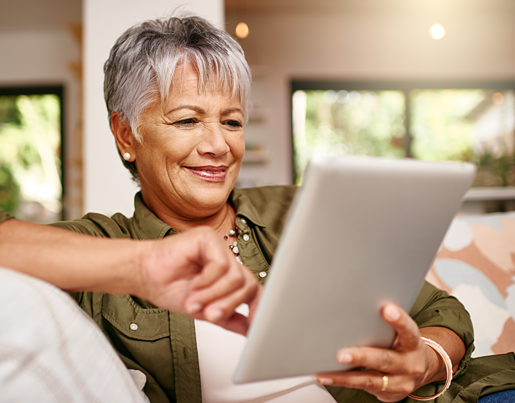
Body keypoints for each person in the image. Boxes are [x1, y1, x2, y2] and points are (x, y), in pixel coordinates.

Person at [6, 14, 515, 403]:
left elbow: (441, 312)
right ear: (126, 135)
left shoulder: (298, 210)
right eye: (187, 121)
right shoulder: (104, 246)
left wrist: (424, 361)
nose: (218, 145)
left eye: (231, 121)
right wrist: (141, 266)